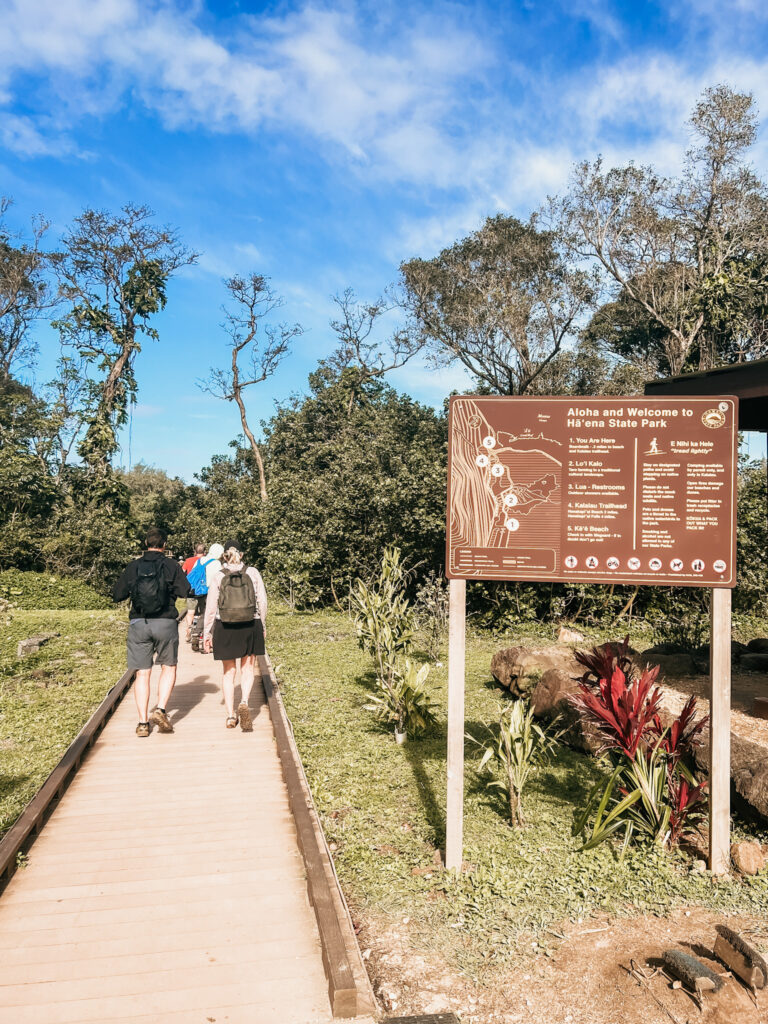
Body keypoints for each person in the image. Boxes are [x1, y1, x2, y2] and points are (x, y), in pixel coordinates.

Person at [112, 527, 192, 737]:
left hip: (139, 623)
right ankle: (161, 709)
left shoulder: (134, 566)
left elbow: (117, 594)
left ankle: (142, 723)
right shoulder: (171, 565)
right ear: (164, 545)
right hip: (165, 623)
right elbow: (185, 591)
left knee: (142, 673)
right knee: (168, 667)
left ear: (145, 544)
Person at [203, 539, 267, 731]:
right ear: (242, 554)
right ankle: (245, 702)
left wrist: (207, 632)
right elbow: (262, 601)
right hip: (250, 622)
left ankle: (231, 715)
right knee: (247, 668)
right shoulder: (252, 572)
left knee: (228, 672)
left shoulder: (218, 575)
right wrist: (262, 624)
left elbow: (211, 606)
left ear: (225, 556)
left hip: (225, 625)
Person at [188, 542, 224, 652]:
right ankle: (208, 642)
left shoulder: (200, 560)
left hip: (199, 592)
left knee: (203, 613)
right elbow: (219, 579)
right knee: (211, 616)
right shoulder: (217, 563)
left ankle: (196, 632)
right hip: (211, 592)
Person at [182, 543, 206, 641]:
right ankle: (200, 631)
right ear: (205, 552)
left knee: (190, 612)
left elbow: (182, 572)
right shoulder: (206, 561)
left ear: (195, 551)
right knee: (203, 611)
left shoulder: (188, 561)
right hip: (202, 590)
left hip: (191, 590)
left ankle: (188, 629)